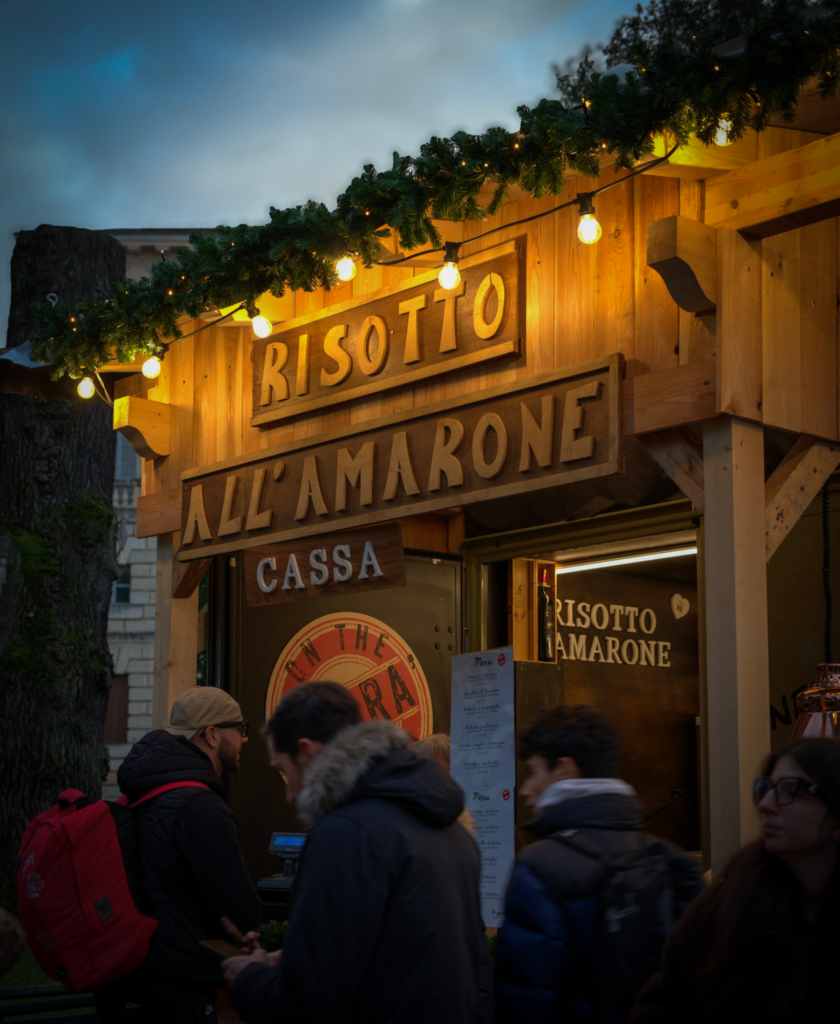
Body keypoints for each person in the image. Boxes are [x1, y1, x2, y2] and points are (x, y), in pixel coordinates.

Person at [222, 682, 493, 1024]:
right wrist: (291, 959)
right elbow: (463, 964)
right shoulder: (452, 830)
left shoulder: (345, 834)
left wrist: (249, 978)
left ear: (306, 752)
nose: (290, 795)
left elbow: (309, 1004)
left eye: (283, 770)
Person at [495, 703, 704, 1023]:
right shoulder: (672, 859)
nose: (524, 790)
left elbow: (529, 1001)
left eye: (532, 772)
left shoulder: (537, 867)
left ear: (565, 770)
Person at [631, 736, 840, 1024]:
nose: (766, 804)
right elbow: (666, 1000)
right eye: (765, 788)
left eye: (792, 790)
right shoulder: (731, 899)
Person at [103, 686, 262, 1024]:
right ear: (212, 735)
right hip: (176, 997)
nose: (245, 739)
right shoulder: (202, 808)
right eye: (240, 728)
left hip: (126, 983)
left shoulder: (143, 789)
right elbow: (242, 911)